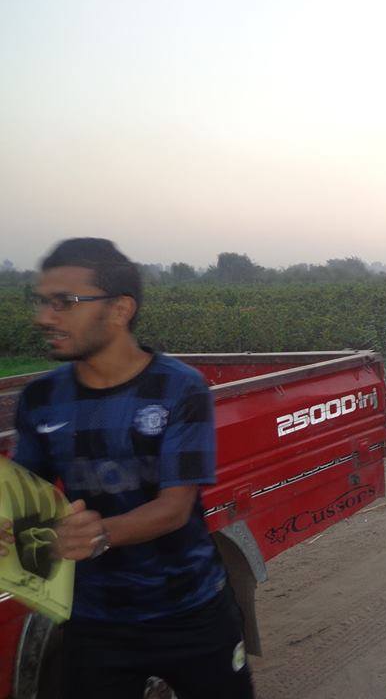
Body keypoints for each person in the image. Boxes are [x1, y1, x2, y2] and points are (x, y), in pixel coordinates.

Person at [0, 238, 253, 699]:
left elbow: (174, 509)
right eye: (41, 301)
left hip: (190, 610)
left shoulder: (178, 388)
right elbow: (24, 493)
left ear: (119, 309)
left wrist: (94, 535)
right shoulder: (41, 399)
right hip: (94, 620)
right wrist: (15, 525)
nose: (43, 317)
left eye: (63, 302)